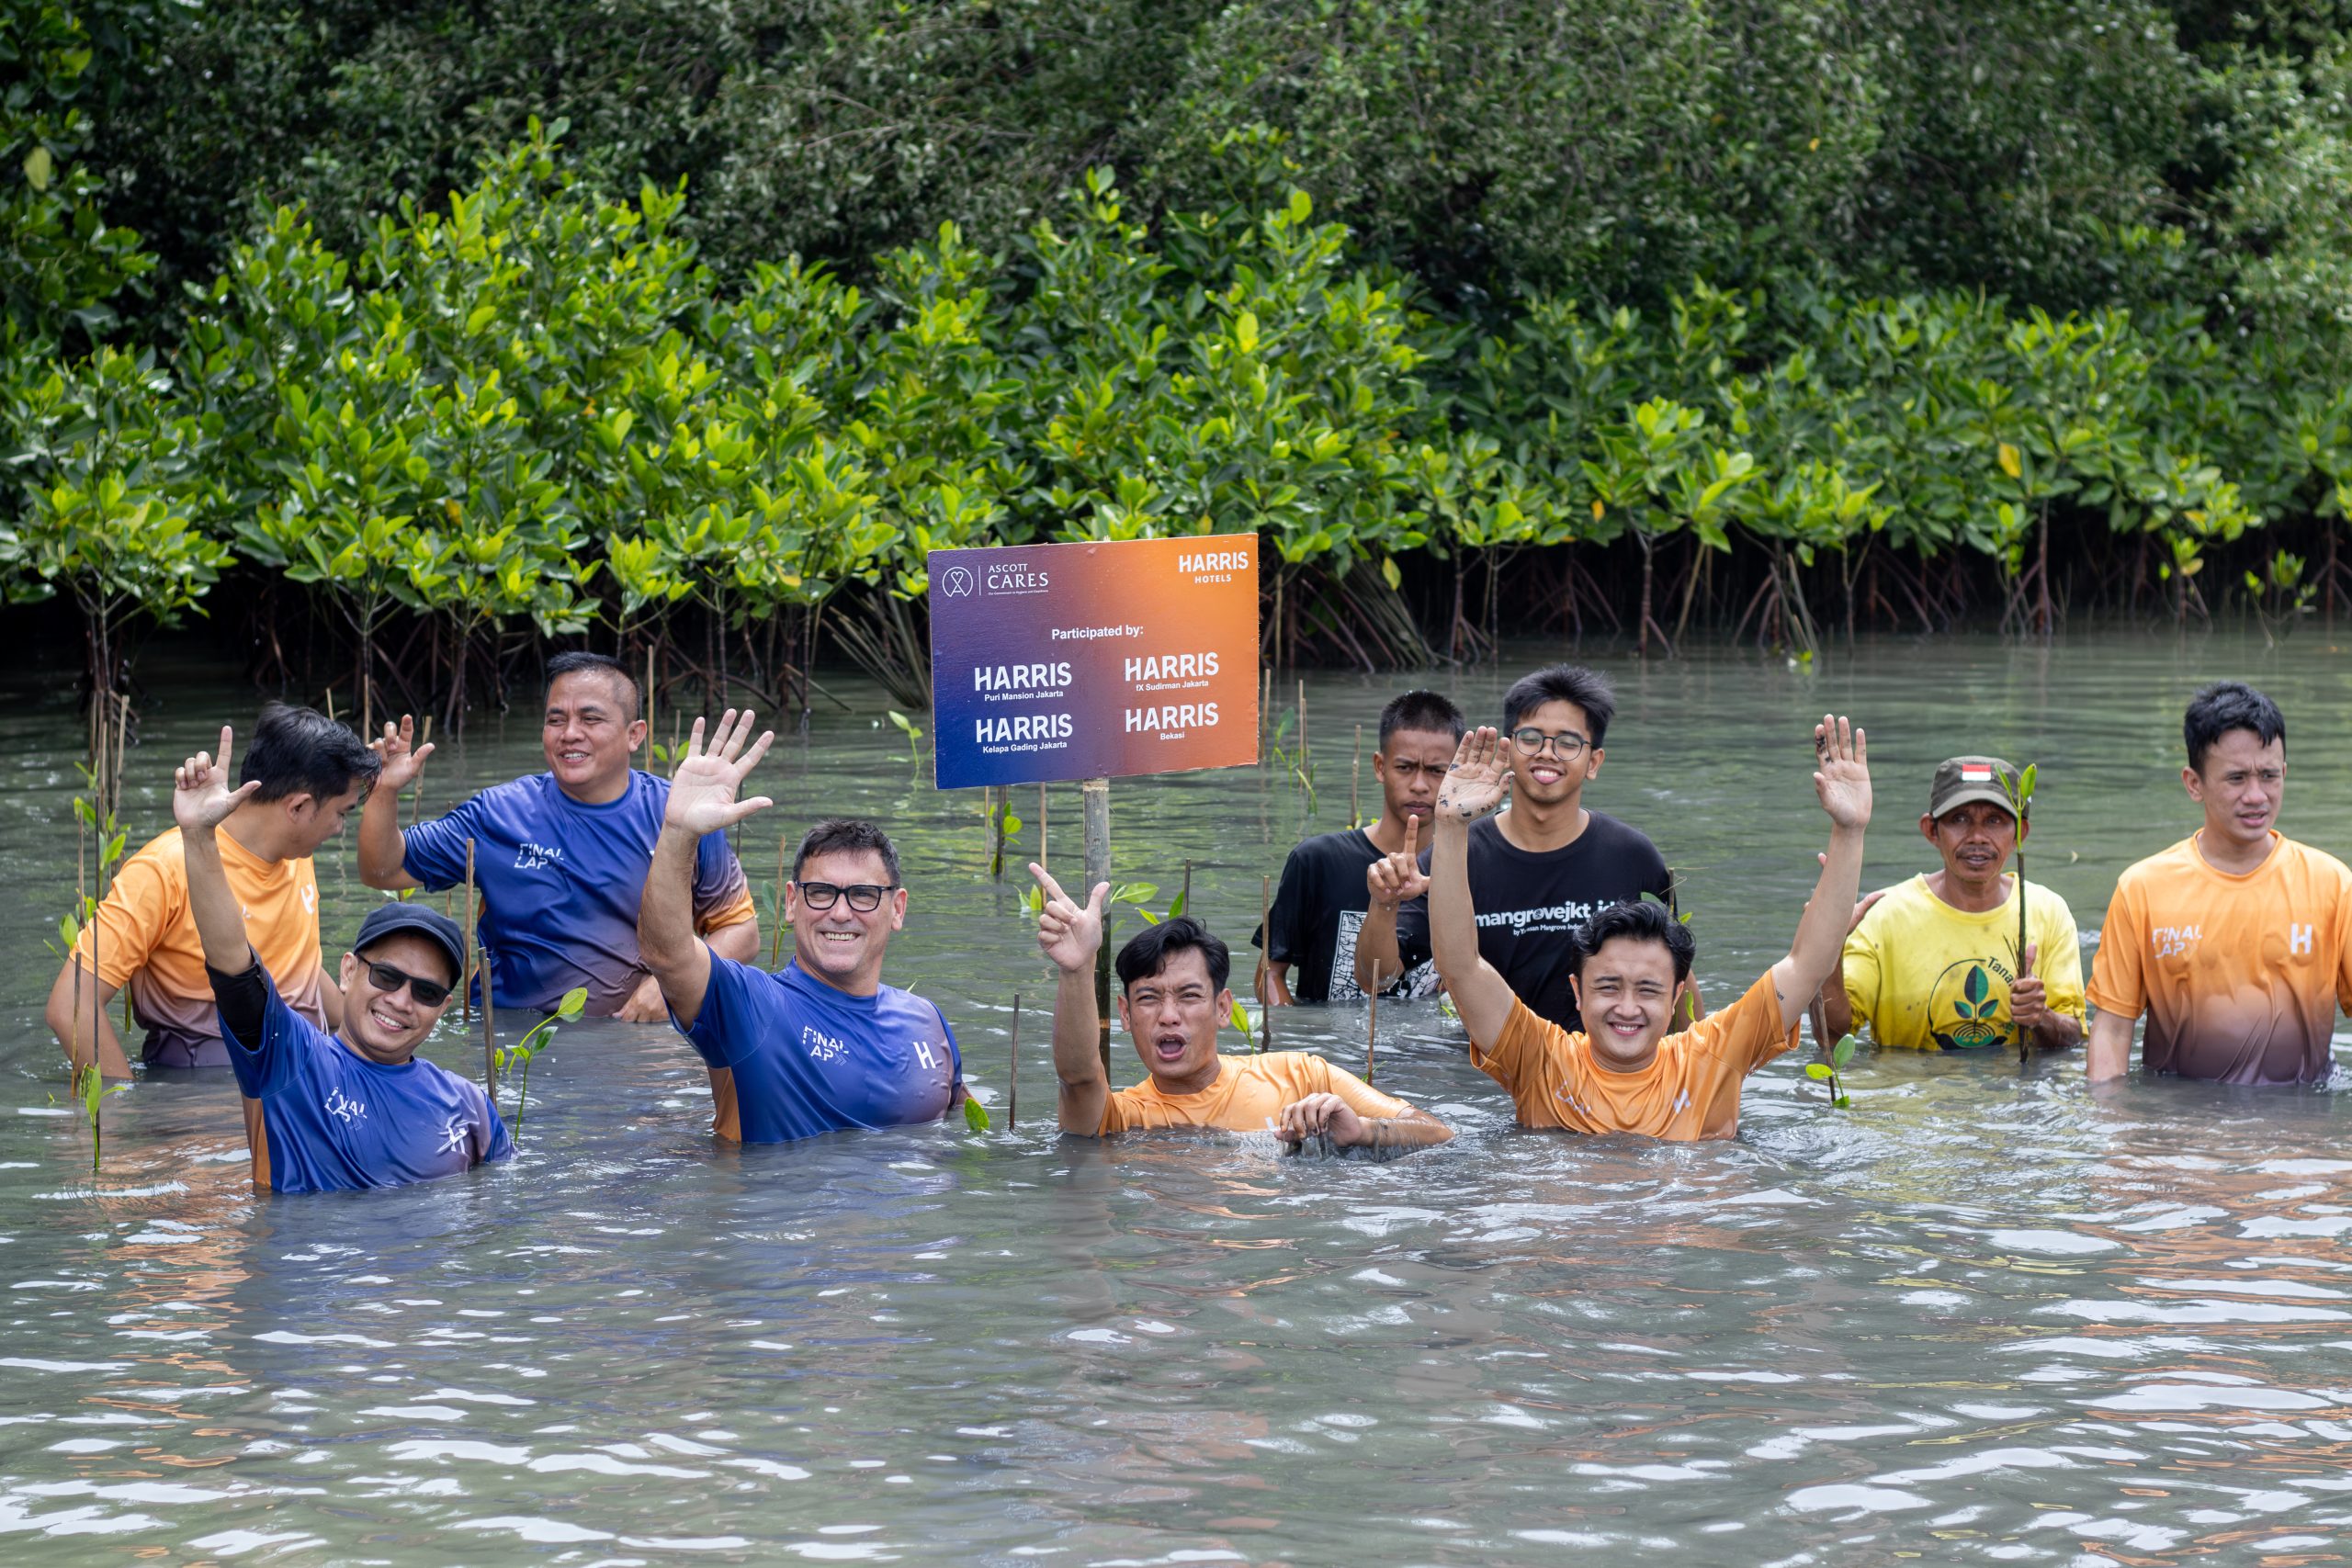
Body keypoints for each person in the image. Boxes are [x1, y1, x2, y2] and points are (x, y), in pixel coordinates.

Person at [1433, 716, 1870, 1142]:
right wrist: (1452, 829)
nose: (1627, 1008)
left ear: (1677, 995)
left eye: (1648, 990)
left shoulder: (1713, 1057)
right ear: (1578, 992)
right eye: (1608, 987)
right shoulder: (1541, 1060)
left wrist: (1849, 831)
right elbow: (1461, 968)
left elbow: (1807, 966)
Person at [173, 727, 507, 1193]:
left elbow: (501, 1216)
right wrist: (200, 838)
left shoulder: (471, 1108)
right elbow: (232, 962)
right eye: (388, 976)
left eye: (426, 991)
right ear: (348, 971)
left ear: (443, 1008)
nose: (402, 1000)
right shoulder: (289, 1059)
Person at [358, 651, 760, 1021]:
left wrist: (673, 985)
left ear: (634, 734)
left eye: (591, 719)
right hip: (511, 1047)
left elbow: (741, 931)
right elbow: (383, 870)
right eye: (555, 720)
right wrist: (383, 791)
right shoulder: (498, 814)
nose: (569, 733)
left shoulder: (678, 814)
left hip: (636, 1049)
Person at [638, 710, 965, 1141]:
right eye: (821, 892)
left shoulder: (927, 1019)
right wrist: (679, 832)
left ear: (897, 909)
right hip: (780, 1206)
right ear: (791, 903)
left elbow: (967, 1135)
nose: (841, 913)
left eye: (863, 895)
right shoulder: (752, 1006)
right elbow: (668, 953)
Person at [46, 703, 375, 1077]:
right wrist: (123, 1115)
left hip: (305, 1072)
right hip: (205, 1095)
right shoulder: (164, 869)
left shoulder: (297, 854)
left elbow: (300, 972)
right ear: (298, 807)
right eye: (342, 813)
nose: (339, 828)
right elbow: (70, 1004)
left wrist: (368, 1038)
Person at [1035, 864, 1453, 1153]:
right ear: (1125, 1015)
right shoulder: (1124, 1117)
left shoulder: (1302, 1075)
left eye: (1189, 995)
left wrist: (1360, 1131)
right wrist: (1077, 969)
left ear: (1222, 1008)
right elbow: (1078, 1078)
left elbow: (1438, 1133)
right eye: (1149, 998)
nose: (1168, 1015)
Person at [1354, 664, 1676, 1032]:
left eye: (1568, 743)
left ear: (1594, 762)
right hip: (1486, 1069)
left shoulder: (1632, 855)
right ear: (1507, 748)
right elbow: (1376, 982)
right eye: (1531, 738)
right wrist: (1384, 904)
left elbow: (1673, 976)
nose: (1547, 754)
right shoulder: (1457, 856)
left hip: (1596, 1067)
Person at [2086, 682, 2352, 1086]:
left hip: (2301, 1127)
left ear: (2285, 773)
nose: (2256, 795)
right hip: (2179, 1123)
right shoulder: (2142, 888)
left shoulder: (2333, 885)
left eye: (2268, 776)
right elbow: (2113, 1029)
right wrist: (2113, 1137)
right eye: (2236, 778)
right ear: (2194, 783)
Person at [1819, 755, 2084, 1053]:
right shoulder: (1884, 913)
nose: (1977, 837)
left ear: (2020, 835)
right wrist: (1830, 949)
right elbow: (1831, 1037)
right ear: (1932, 831)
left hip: (2013, 1096)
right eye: (1959, 819)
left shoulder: (2048, 912)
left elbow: (2073, 1037)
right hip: (1906, 1093)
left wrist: (2040, 1016)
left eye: (1994, 821)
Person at [1255, 689, 1464, 1004]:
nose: (1420, 785)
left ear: (1456, 775)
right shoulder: (1318, 861)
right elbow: (1270, 972)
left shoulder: (1471, 866)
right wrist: (1302, 1042)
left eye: (1436, 771)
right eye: (1405, 767)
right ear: (1380, 767)